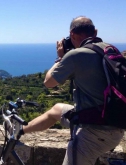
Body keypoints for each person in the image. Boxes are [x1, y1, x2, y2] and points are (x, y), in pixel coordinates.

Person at [21, 16, 124, 165]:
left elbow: (49, 82)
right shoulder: (109, 49)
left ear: (72, 34)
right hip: (115, 123)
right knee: (57, 110)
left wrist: (60, 58)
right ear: (95, 32)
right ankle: (21, 130)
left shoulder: (76, 55)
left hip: (93, 132)